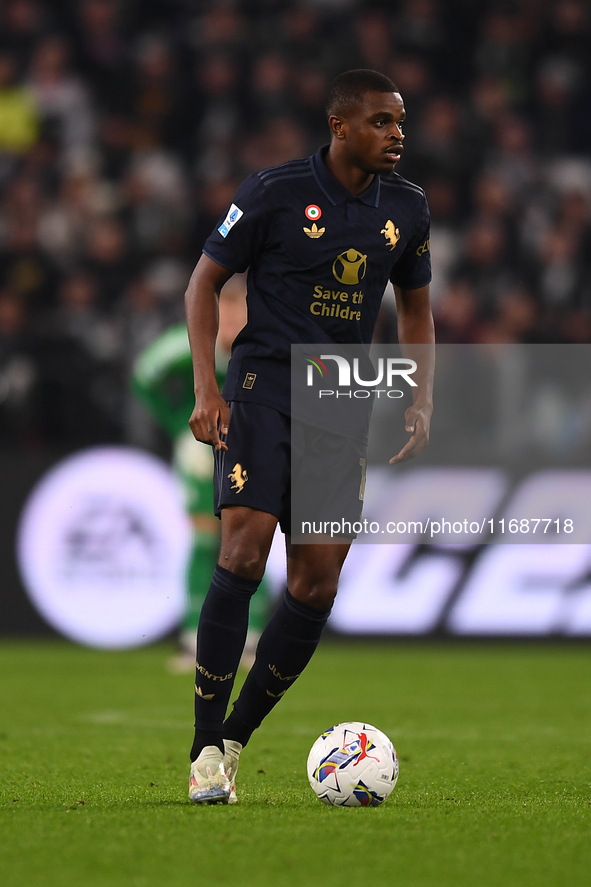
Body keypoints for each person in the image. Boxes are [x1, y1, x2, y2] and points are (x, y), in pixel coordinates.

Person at [184, 69, 435, 804]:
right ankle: (202, 746)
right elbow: (203, 282)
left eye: (400, 122)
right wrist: (206, 385)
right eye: (383, 122)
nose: (397, 135)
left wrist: (422, 399)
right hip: (261, 389)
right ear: (341, 127)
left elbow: (414, 310)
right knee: (241, 550)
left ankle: (234, 739)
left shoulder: (409, 208)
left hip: (339, 406)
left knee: (316, 582)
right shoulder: (272, 190)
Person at [131, 276, 270, 672]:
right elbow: (145, 374)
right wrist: (176, 422)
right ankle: (195, 639)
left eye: (238, 309)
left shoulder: (264, 342)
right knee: (204, 539)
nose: (230, 319)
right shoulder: (188, 343)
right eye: (224, 310)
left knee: (248, 540)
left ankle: (252, 637)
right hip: (201, 452)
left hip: (252, 449)